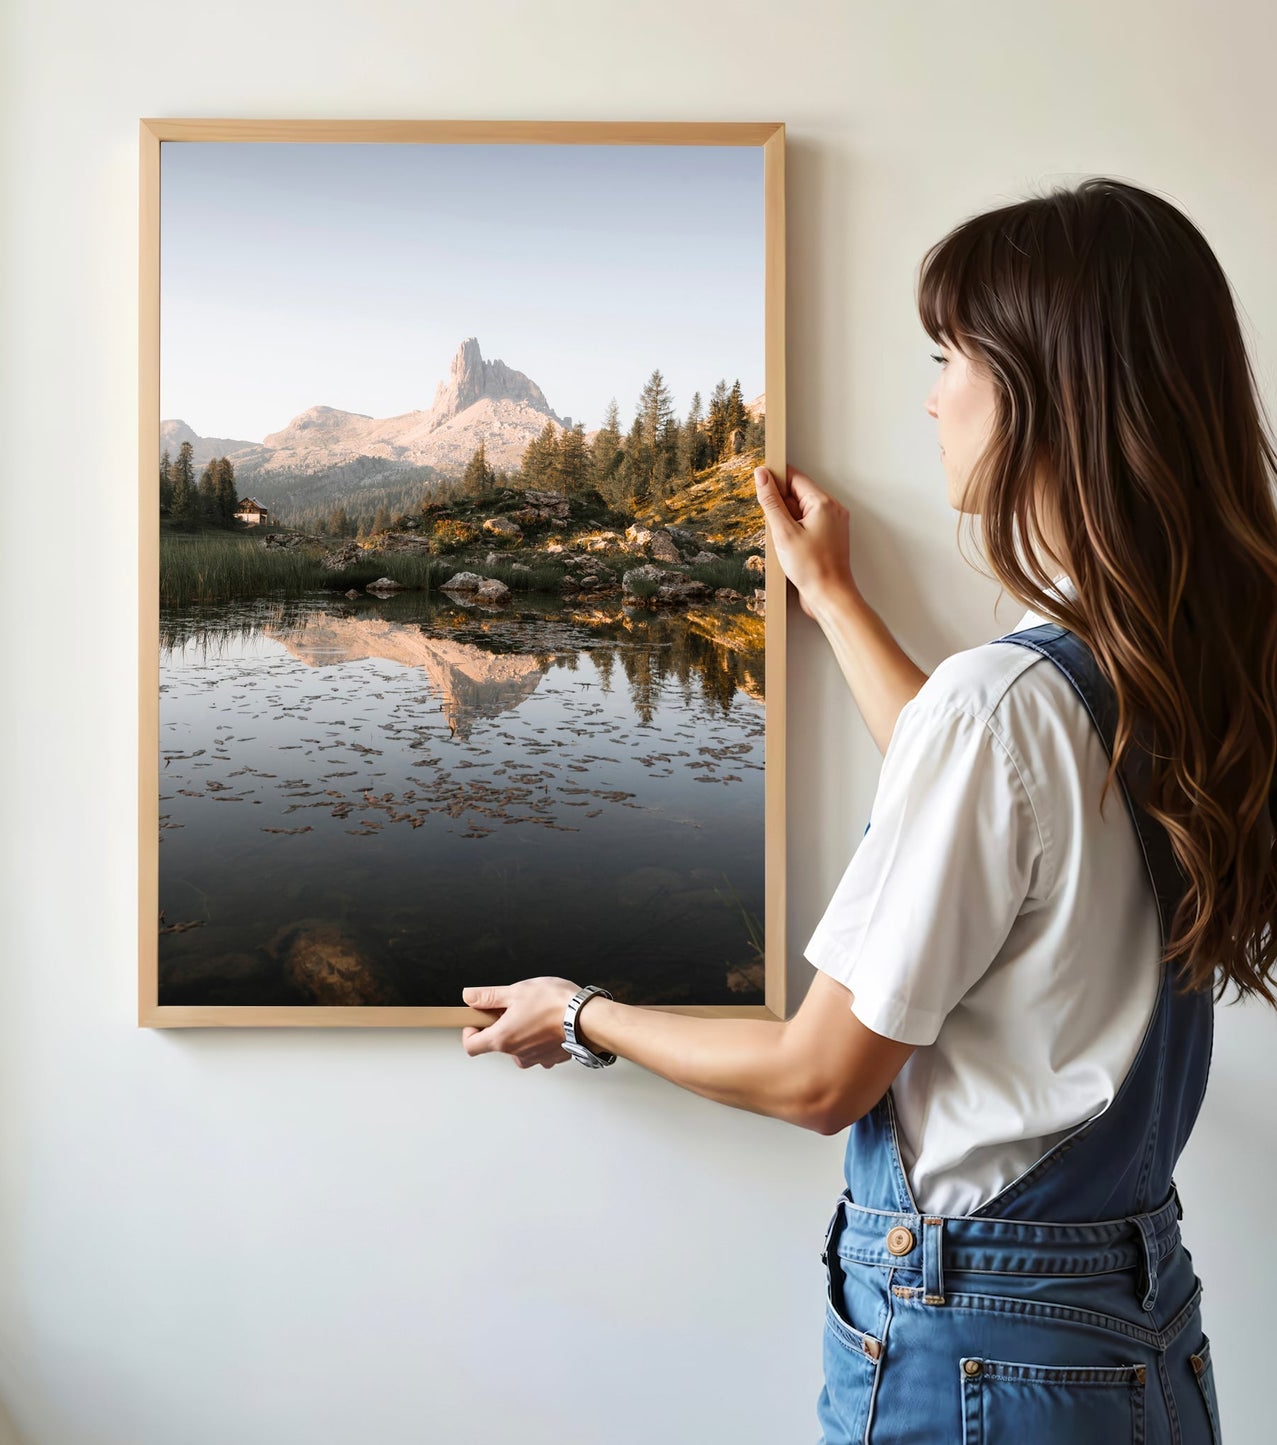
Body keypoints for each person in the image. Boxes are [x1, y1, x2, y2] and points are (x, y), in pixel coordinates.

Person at [459, 176, 1277, 1443]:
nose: (931, 392)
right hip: (1129, 1328)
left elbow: (816, 1075)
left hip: (978, 1350)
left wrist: (578, 1012)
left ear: (1047, 392)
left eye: (951, 356)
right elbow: (999, 820)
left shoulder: (1006, 702)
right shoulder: (1169, 664)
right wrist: (833, 597)